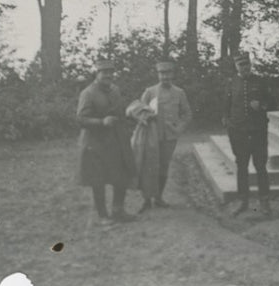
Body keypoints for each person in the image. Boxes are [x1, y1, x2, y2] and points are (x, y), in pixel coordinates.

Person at [127, 59, 193, 211]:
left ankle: (158, 198)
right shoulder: (150, 92)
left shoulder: (179, 93)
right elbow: (139, 110)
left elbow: (187, 114)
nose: (165, 77)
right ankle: (146, 200)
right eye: (162, 74)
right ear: (158, 75)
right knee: (148, 167)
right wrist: (144, 118)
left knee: (163, 167)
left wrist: (179, 128)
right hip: (151, 136)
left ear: (173, 74)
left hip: (169, 137)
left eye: (168, 73)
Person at [76, 59, 135, 225]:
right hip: (95, 142)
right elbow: (80, 119)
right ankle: (103, 216)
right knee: (98, 179)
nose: (108, 76)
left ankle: (118, 211)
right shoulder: (88, 93)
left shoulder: (115, 90)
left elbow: (119, 112)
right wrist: (101, 122)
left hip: (116, 140)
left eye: (111, 72)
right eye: (104, 72)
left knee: (121, 173)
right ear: (97, 74)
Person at [224, 55, 272, 216]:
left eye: (247, 65)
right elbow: (226, 106)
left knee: (260, 166)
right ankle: (243, 200)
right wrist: (230, 125)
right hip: (238, 132)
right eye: (241, 65)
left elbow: (272, 101)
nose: (244, 68)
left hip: (258, 131)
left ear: (251, 65)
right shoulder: (231, 83)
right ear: (236, 66)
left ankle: (264, 201)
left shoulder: (260, 81)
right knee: (241, 166)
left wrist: (261, 106)